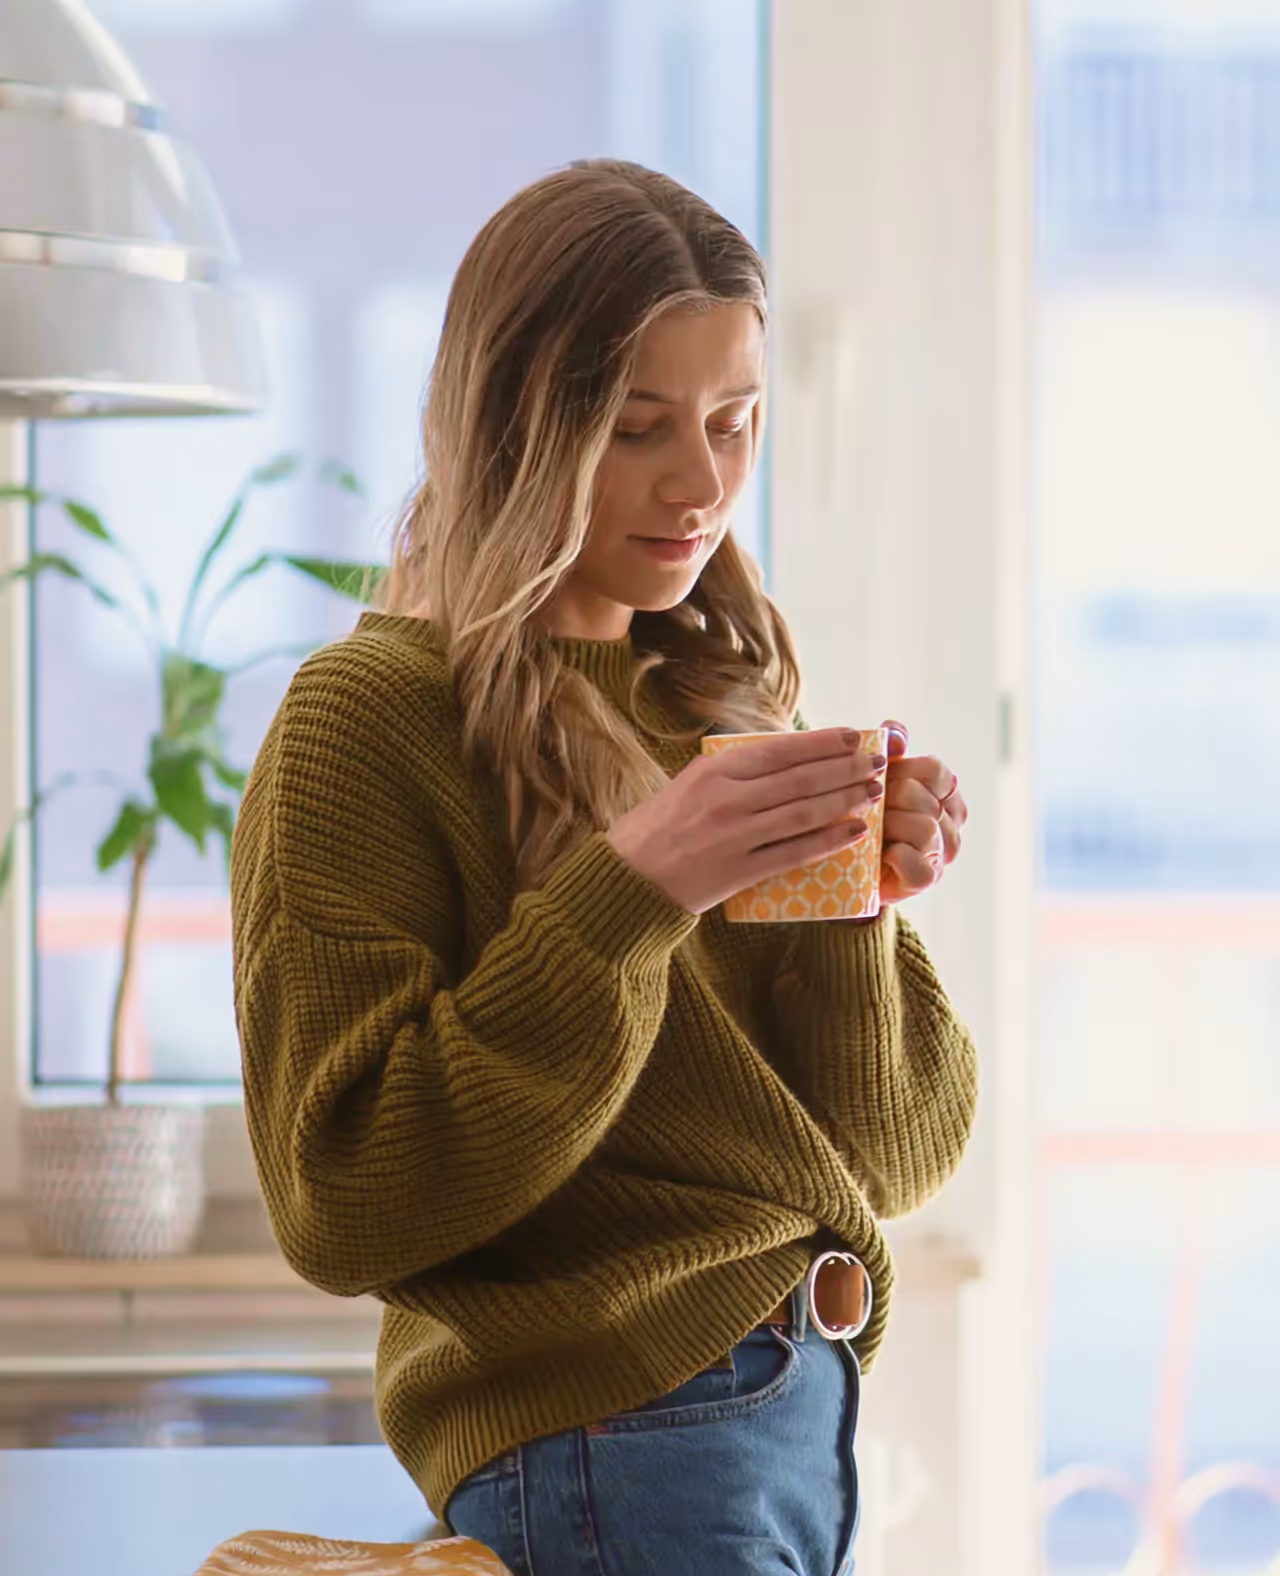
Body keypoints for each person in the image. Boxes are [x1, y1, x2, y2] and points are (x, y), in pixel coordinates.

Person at [230, 158, 976, 1576]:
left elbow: (893, 1153)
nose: (701, 482)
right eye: (640, 428)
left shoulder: (713, 699)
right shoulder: (368, 721)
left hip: (794, 1424)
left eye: (735, 422)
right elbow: (345, 1199)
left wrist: (854, 911)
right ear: (515, 424)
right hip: (615, 1447)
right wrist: (633, 891)